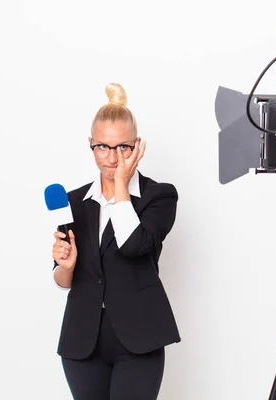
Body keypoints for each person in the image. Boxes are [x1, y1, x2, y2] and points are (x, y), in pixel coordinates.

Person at [51, 82, 181, 399]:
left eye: (123, 147)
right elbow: (62, 279)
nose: (113, 158)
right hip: (83, 341)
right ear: (91, 145)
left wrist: (122, 185)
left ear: (137, 146)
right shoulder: (73, 201)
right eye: (104, 147)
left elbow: (133, 245)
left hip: (139, 337)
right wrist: (65, 265)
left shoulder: (159, 196)